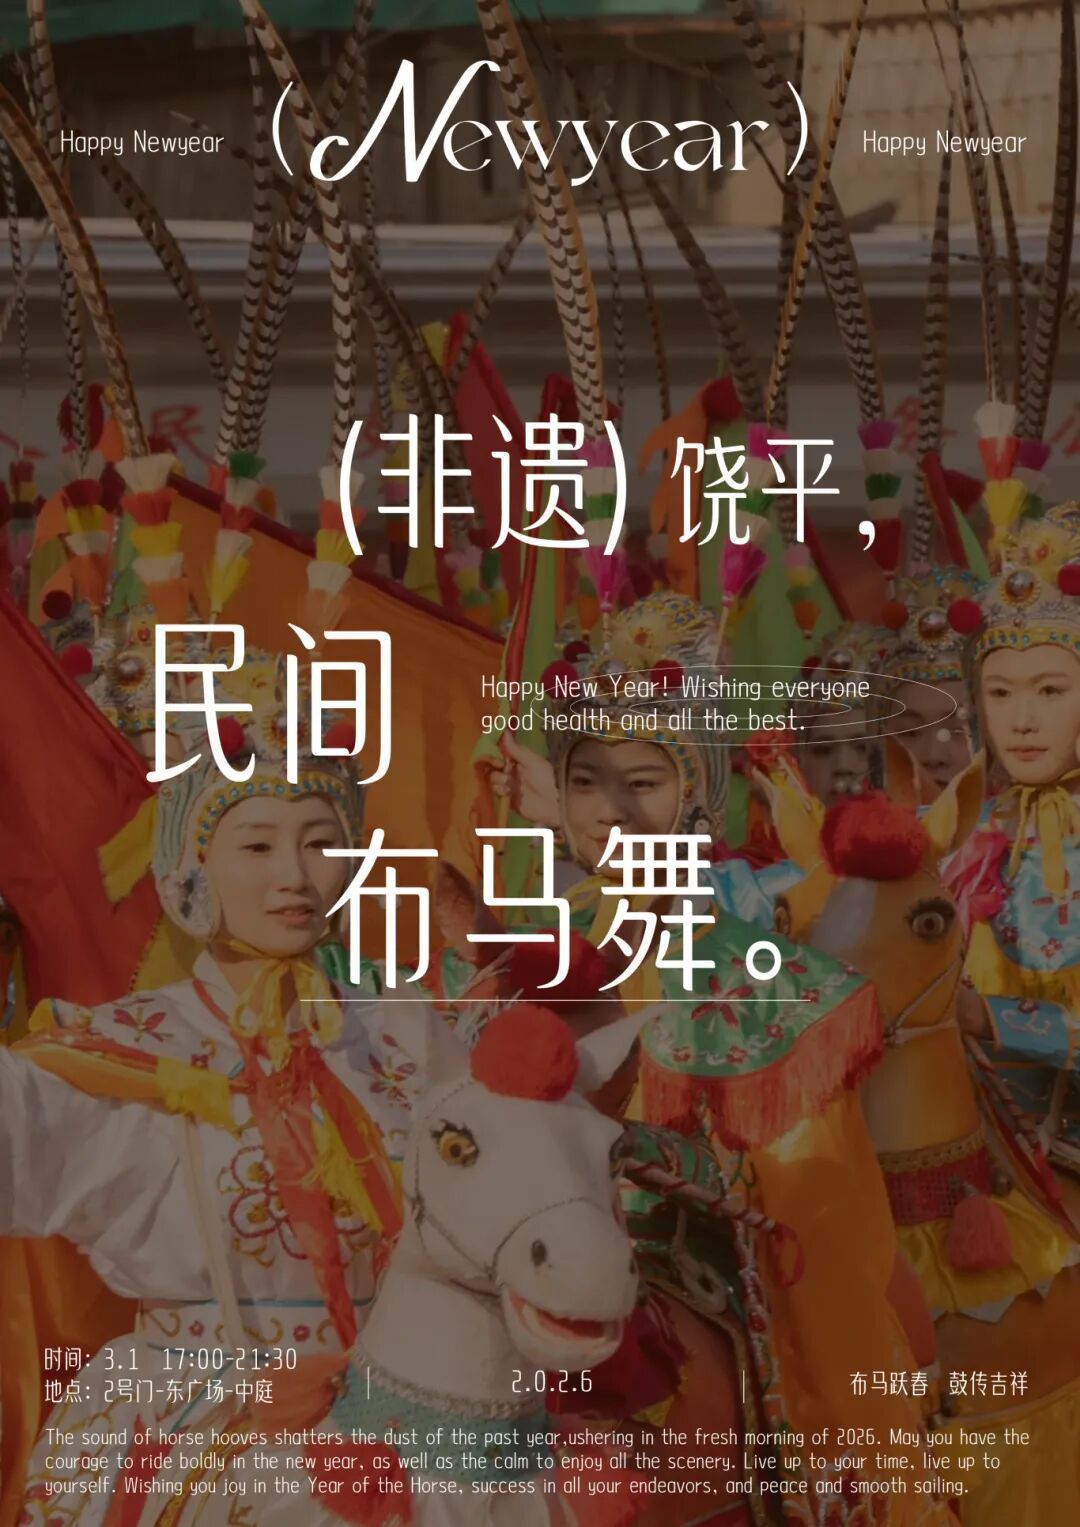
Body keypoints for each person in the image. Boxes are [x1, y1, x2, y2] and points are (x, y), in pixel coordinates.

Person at [0, 655, 426, 1521]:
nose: (294, 875)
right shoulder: (126, 1050)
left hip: (408, 1395)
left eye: (321, 841)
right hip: (200, 1409)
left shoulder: (407, 1027)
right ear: (190, 867)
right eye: (257, 844)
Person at [946, 503, 1080, 1182]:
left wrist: (993, 1018)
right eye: (1000, 693)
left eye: (1050, 690)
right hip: (973, 1156)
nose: (1022, 720)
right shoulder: (956, 836)